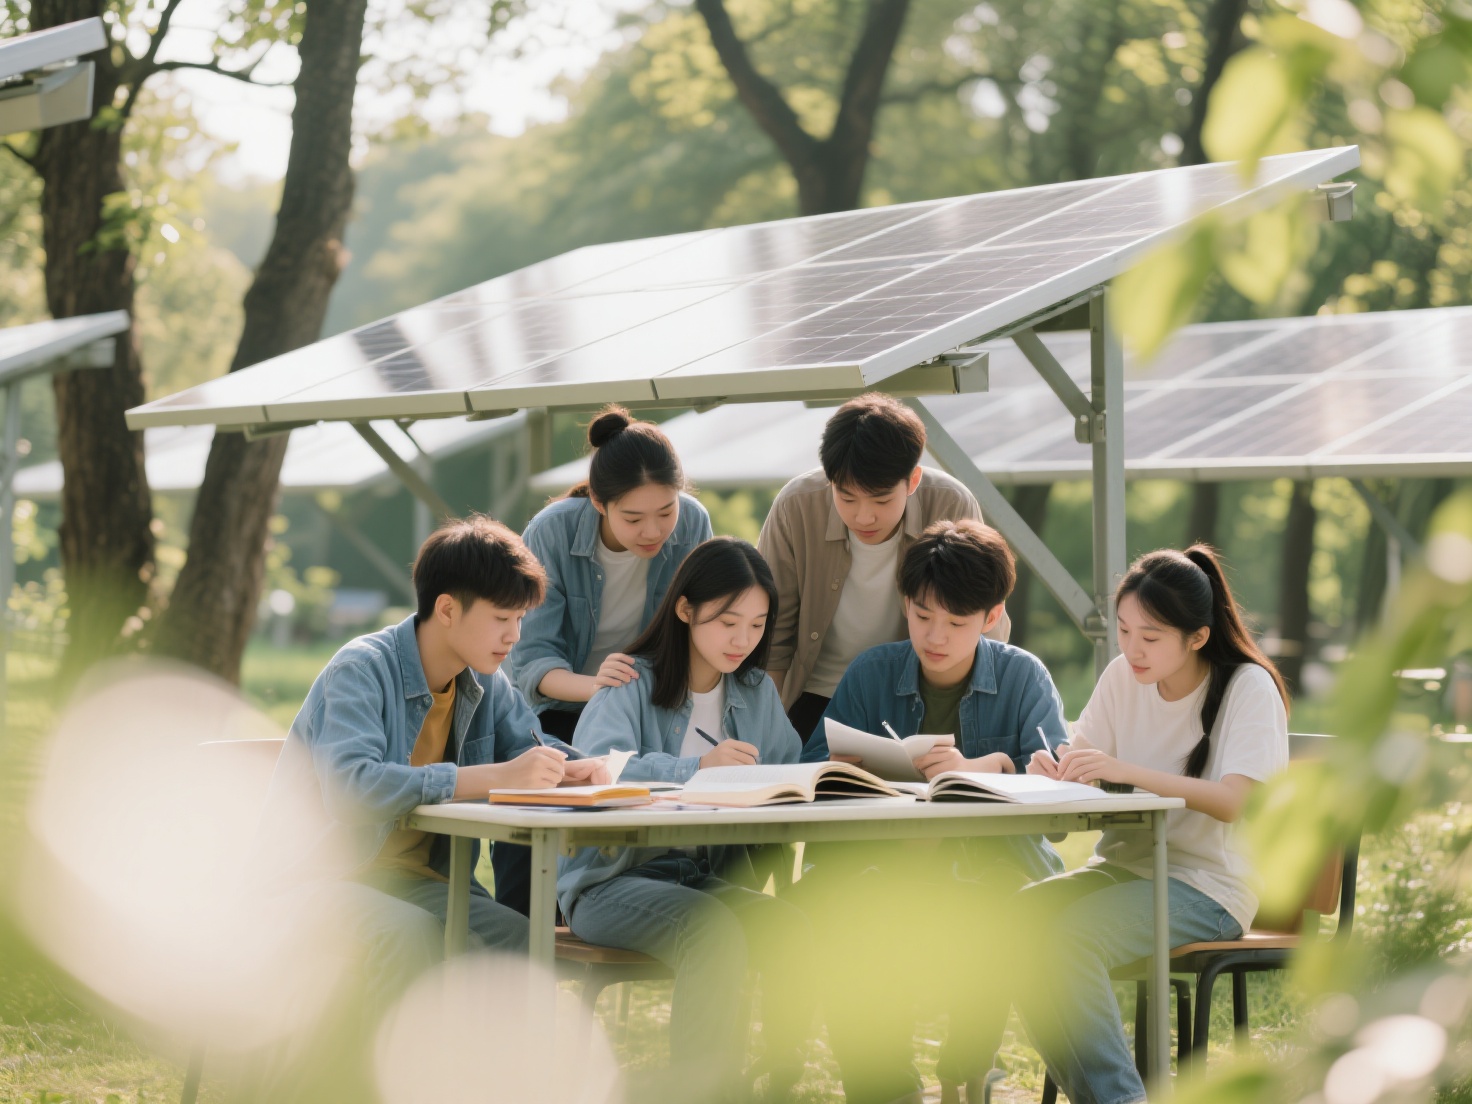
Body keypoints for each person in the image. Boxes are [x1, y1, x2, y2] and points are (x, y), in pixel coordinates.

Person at [796, 519, 1064, 1104]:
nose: (935, 636)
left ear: (992, 617)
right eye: (921, 616)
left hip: (990, 870)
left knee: (1005, 903)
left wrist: (992, 766)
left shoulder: (1023, 677)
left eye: (957, 622)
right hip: (878, 868)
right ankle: (885, 1089)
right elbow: (812, 774)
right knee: (839, 907)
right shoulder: (872, 672)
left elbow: (1060, 807)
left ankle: (966, 1075)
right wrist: (871, 770)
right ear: (905, 604)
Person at [1018, 546, 1290, 1104]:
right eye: (1123, 630)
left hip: (1207, 886)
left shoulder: (1246, 688)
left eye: (1151, 636)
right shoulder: (1124, 676)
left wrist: (1126, 772)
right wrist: (1059, 769)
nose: (1132, 649)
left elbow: (1237, 802)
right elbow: (1088, 764)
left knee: (1071, 939)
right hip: (1124, 869)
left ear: (1196, 637)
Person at [558, 538, 816, 1103]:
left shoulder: (754, 693)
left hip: (697, 880)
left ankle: (776, 1084)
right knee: (712, 931)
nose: (742, 640)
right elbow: (596, 771)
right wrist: (696, 768)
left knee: (792, 929)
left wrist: (830, 775)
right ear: (684, 609)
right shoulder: (630, 682)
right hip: (609, 882)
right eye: (727, 621)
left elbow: (789, 769)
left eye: (756, 624)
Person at [501, 404, 712, 913]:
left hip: (637, 716)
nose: (653, 531)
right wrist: (595, 685)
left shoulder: (694, 526)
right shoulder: (552, 531)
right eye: (633, 517)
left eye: (666, 512)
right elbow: (529, 661)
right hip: (553, 716)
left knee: (624, 858)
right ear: (598, 501)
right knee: (526, 881)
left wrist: (623, 696)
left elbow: (696, 635)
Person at [757, 392, 1008, 746]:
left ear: (914, 480)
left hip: (917, 695)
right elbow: (772, 635)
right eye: (846, 498)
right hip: (815, 695)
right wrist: (767, 733)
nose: (863, 516)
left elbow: (979, 623)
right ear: (830, 481)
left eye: (882, 499)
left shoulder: (951, 503)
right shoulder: (796, 505)